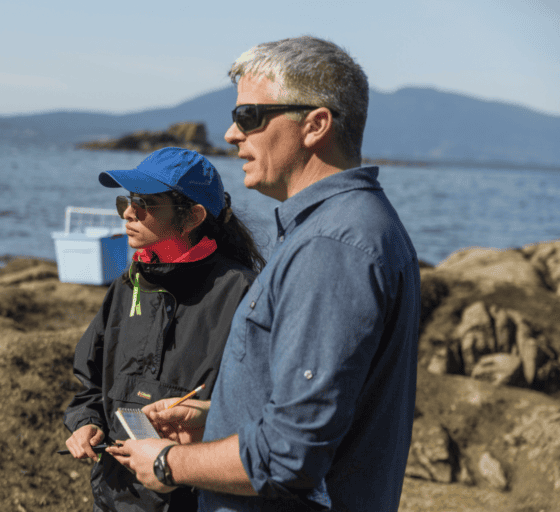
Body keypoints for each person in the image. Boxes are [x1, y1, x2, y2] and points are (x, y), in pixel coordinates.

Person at [107, 36, 420, 512]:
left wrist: (168, 461)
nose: (232, 135)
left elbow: (287, 456)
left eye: (249, 117)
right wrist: (216, 421)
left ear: (316, 124)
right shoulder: (353, 226)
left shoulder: (330, 247)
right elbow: (325, 415)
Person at [63, 147, 265, 512]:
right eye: (127, 200)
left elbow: (266, 415)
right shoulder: (126, 287)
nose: (128, 212)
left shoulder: (244, 293)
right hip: (113, 498)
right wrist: (86, 423)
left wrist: (202, 419)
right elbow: (90, 384)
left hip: (199, 501)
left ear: (193, 217)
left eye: (146, 204)